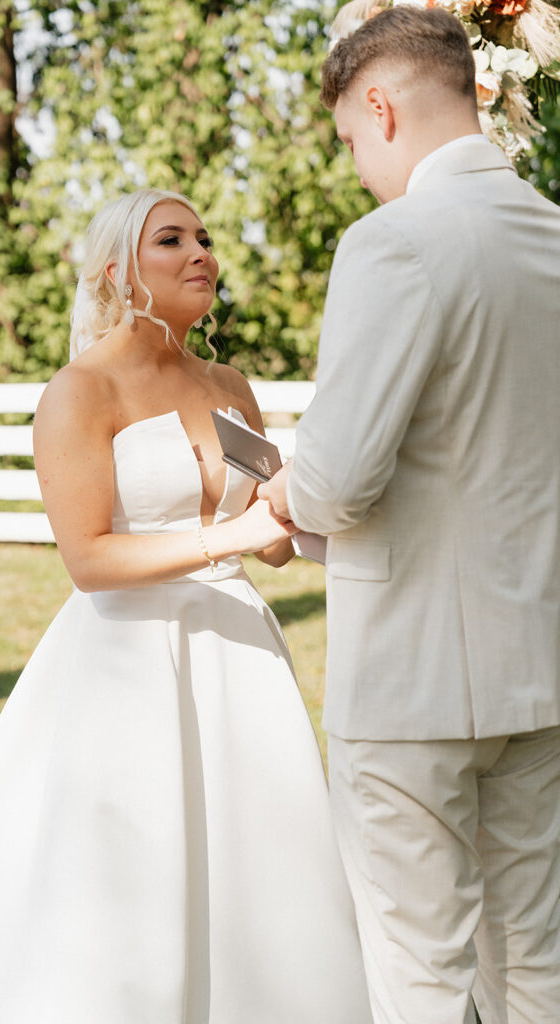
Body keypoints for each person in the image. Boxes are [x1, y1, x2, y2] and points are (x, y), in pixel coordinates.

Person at [0, 188, 372, 1023]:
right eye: (170, 240)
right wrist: (235, 539)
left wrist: (303, 507)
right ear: (116, 272)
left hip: (239, 653)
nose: (200, 254)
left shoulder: (229, 384)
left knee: (260, 855)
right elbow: (89, 560)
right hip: (128, 661)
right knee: (131, 864)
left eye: (205, 238)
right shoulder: (79, 391)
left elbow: (276, 536)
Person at [260, 7, 560, 1023]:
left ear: (378, 107)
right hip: (539, 666)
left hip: (408, 680)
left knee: (418, 970)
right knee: (533, 960)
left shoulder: (394, 242)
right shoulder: (550, 238)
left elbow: (337, 477)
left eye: (348, 139)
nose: (355, 164)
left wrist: (278, 492)